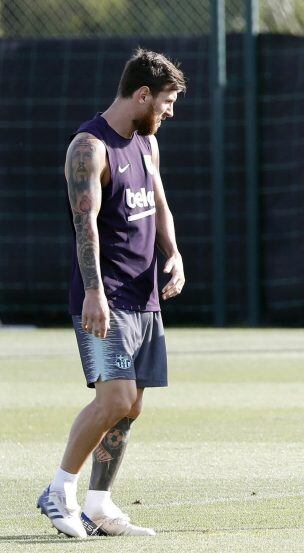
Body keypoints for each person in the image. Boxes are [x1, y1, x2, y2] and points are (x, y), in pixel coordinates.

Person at [37, 49, 186, 538]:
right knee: (115, 397)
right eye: (165, 102)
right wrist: (95, 293)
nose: (168, 111)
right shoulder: (90, 147)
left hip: (145, 297)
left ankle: (99, 505)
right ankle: (59, 491)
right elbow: (86, 228)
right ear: (141, 95)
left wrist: (174, 253)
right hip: (107, 298)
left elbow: (158, 201)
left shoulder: (146, 143)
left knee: (132, 405)